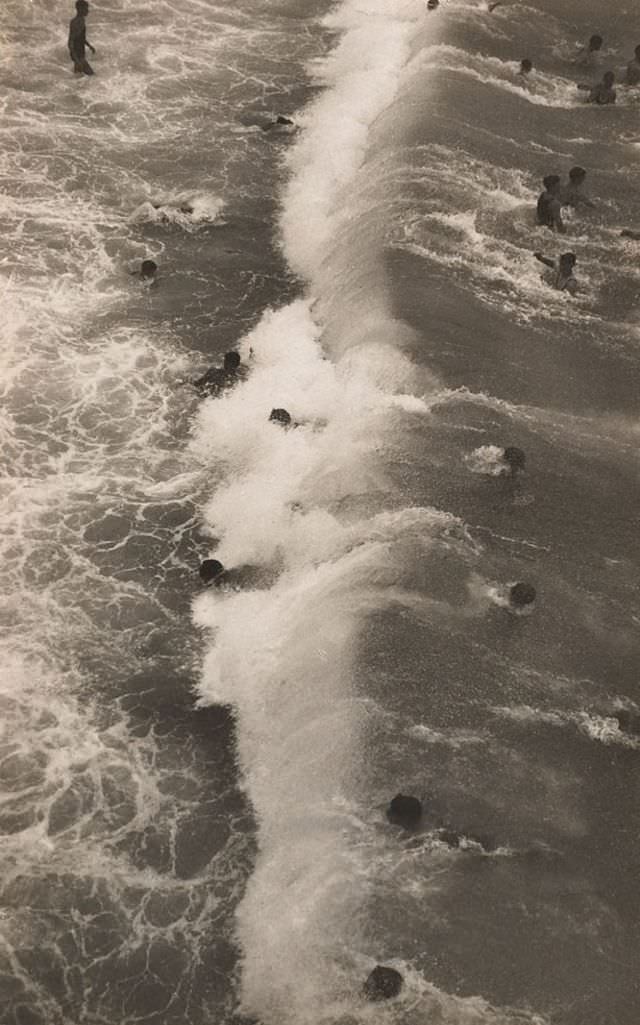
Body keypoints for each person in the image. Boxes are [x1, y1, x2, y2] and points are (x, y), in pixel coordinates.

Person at [68, 0, 96, 76]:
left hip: (80, 55)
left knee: (78, 78)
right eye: (86, 8)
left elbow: (81, 38)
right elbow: (70, 41)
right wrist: (76, 59)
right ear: (80, 9)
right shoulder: (75, 22)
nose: (88, 11)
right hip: (78, 56)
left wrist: (89, 46)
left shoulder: (81, 20)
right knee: (92, 76)